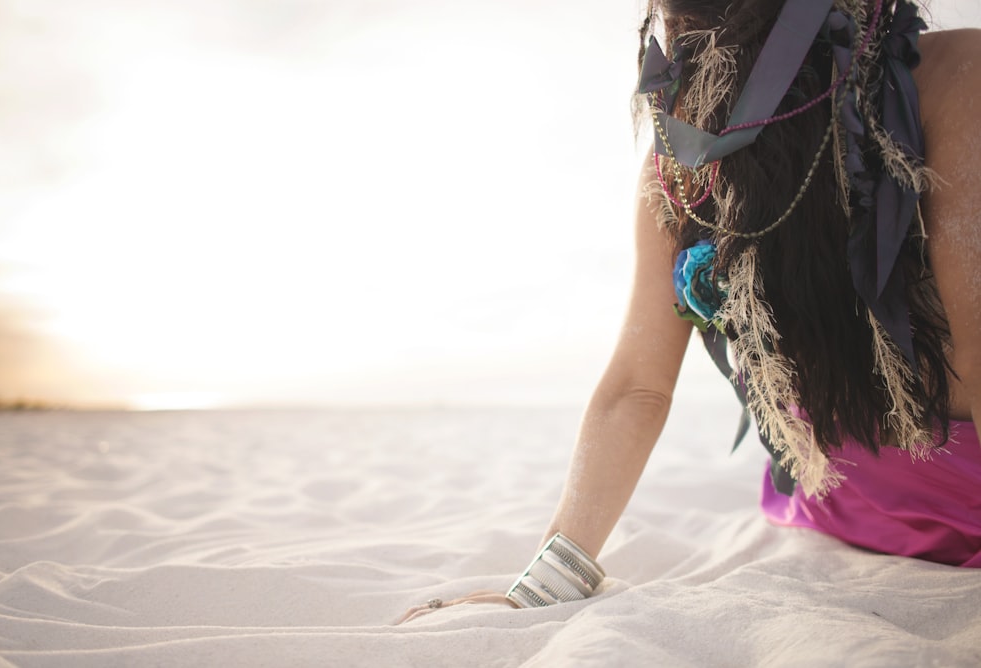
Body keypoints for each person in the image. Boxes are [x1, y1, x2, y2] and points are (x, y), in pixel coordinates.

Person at [399, 0, 981, 622]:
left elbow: (638, 390)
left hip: (888, 505)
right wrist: (539, 591)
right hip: (841, 503)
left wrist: (544, 586)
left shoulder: (952, 81)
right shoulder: (681, 158)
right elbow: (637, 386)